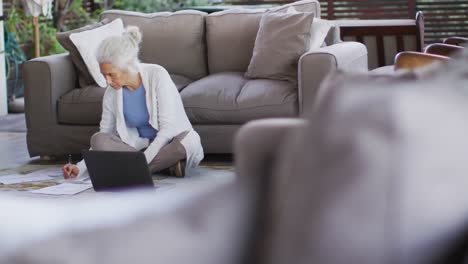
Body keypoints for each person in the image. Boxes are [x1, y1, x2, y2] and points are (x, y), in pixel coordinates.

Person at [63, 26, 204, 179]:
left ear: (128, 66)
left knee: (189, 141)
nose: (107, 81)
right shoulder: (111, 92)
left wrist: (143, 160)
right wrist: (80, 167)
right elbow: (105, 133)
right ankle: (161, 167)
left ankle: (135, 168)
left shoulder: (157, 75)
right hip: (136, 150)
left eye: (111, 75)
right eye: (104, 75)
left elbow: (168, 130)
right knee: (98, 139)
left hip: (168, 144)